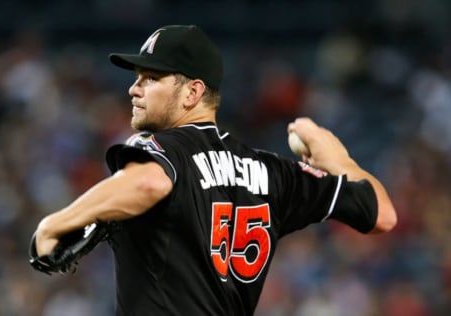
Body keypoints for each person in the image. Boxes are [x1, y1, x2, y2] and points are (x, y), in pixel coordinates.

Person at [34, 24, 397, 315]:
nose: (134, 89)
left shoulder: (160, 148)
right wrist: (339, 160)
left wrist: (54, 223)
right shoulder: (275, 172)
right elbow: (382, 215)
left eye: (150, 78)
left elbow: (148, 182)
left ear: (192, 93)